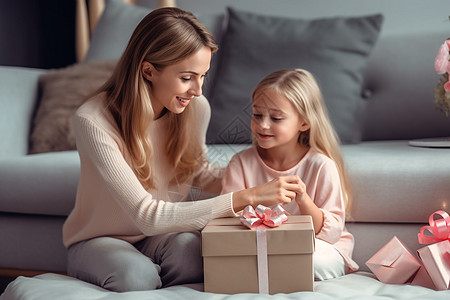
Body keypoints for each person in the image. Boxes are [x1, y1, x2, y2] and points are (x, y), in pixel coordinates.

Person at [62, 8, 302, 292]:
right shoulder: (93, 120)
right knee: (136, 276)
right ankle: (140, 276)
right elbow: (146, 215)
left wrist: (261, 174)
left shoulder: (195, 108)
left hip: (159, 236)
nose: (198, 91)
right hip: (101, 238)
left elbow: (196, 170)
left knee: (197, 254)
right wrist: (244, 197)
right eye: (187, 78)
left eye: (203, 76)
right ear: (148, 71)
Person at [221, 69, 360, 280]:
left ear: (304, 122)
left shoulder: (321, 165)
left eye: (276, 118)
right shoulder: (241, 163)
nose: (263, 124)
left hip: (317, 246)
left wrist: (303, 200)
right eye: (257, 114)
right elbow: (227, 219)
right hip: (259, 246)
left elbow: (330, 235)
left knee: (312, 262)